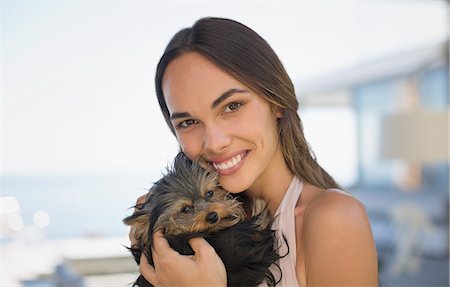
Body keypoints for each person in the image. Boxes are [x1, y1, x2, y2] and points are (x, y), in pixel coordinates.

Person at [130, 17, 379, 286]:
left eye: (232, 106)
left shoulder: (334, 220)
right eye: (188, 122)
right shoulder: (181, 228)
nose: (214, 142)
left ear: (276, 104)